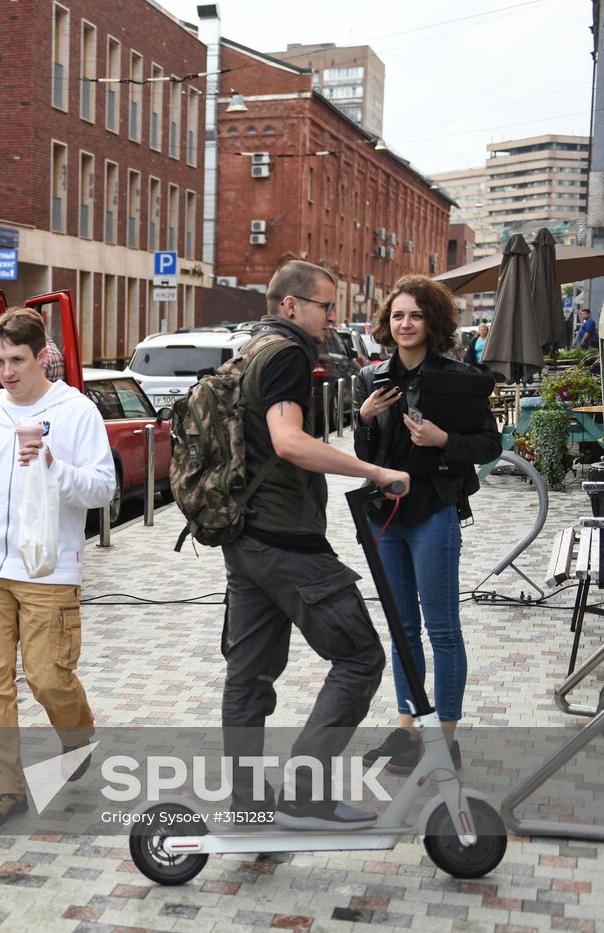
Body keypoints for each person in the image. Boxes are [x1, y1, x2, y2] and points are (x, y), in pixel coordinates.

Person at [220, 259, 410, 829]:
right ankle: (305, 790)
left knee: (248, 677)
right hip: (286, 541)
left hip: (244, 538)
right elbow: (290, 443)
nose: (333, 316)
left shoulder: (250, 347)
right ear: (290, 305)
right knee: (360, 656)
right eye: (325, 305)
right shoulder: (287, 354)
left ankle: (250, 807)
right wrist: (373, 472)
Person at [0, 307, 115, 828]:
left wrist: (54, 465)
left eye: (17, 359)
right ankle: (3, 790)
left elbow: (103, 488)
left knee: (47, 678)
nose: (7, 371)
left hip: (49, 570)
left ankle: (77, 738)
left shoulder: (76, 412)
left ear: (41, 357)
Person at [354, 276, 501, 774]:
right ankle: (406, 732)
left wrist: (442, 440)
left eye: (415, 315)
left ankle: (447, 740)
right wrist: (365, 420)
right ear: (386, 323)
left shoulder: (459, 377)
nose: (405, 323)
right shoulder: (372, 378)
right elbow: (364, 455)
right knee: (402, 629)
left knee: (442, 628)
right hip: (384, 516)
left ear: (432, 321)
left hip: (433, 512)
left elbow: (488, 446)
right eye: (398, 315)